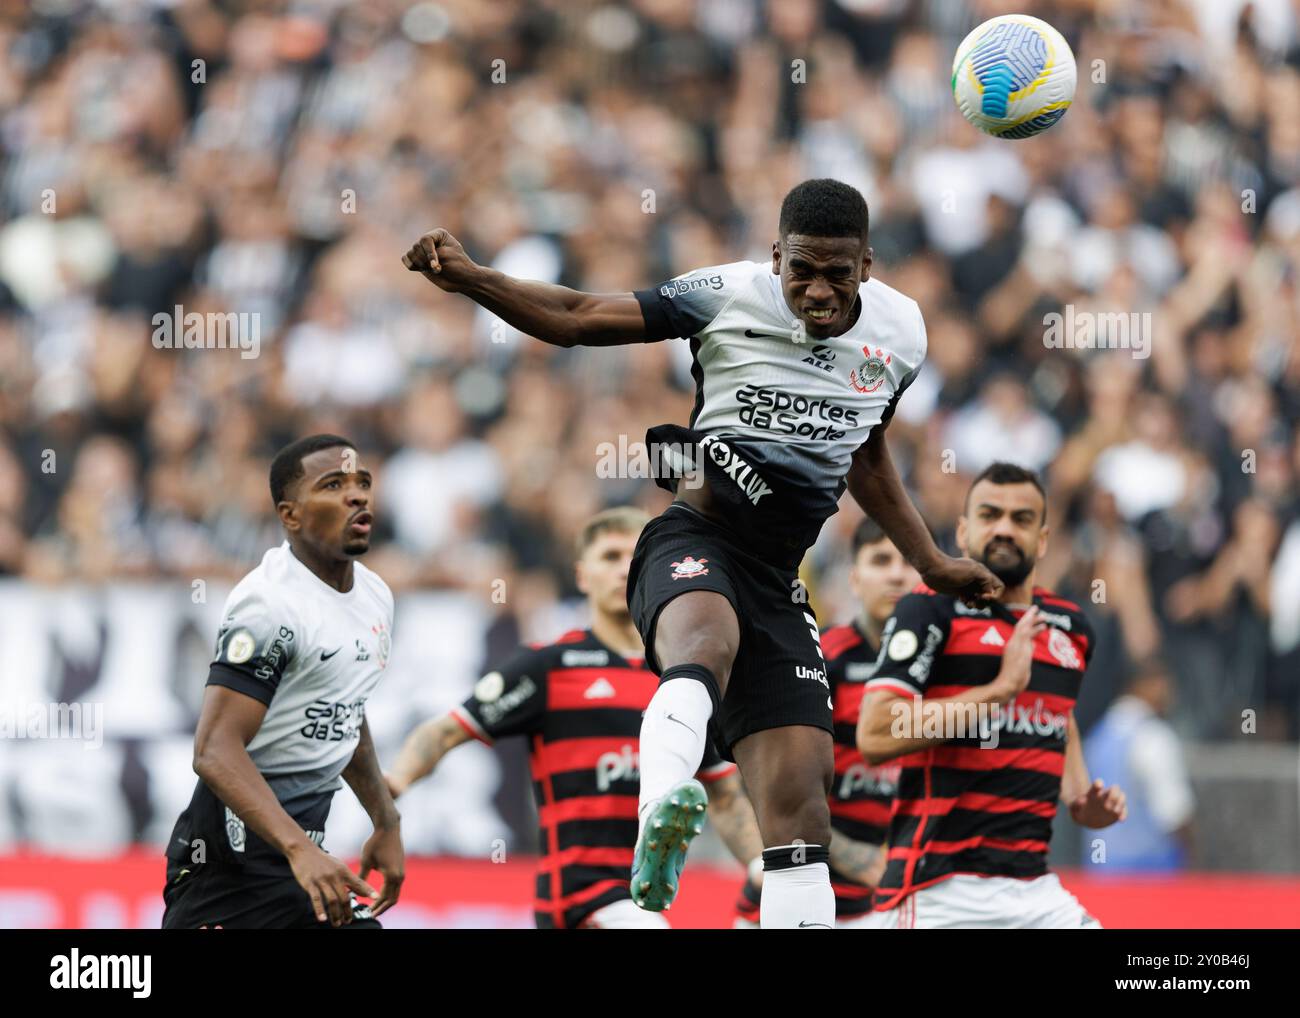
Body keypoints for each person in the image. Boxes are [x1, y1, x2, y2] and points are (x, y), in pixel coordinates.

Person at [403, 178, 1001, 928]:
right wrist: (475, 279)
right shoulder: (723, 294)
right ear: (776, 255)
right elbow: (581, 317)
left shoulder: (902, 332)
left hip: (778, 577)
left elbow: (868, 454)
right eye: (801, 270)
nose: (818, 291)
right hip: (696, 538)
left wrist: (933, 562)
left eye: (837, 274)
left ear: (868, 266)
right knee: (706, 645)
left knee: (803, 815)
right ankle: (662, 810)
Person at [385, 507, 765, 929]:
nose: (623, 569)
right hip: (575, 896)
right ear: (583, 576)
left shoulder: (684, 683)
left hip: (642, 900)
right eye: (609, 557)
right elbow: (444, 732)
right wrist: (389, 788)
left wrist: (756, 866)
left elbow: (726, 799)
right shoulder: (551, 666)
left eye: (634, 558)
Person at [857, 462, 1127, 928]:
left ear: (1042, 539)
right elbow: (878, 732)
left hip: (1036, 892)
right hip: (940, 890)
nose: (1004, 528)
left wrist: (1082, 797)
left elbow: (1058, 715)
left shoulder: (1072, 628)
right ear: (963, 531)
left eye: (1021, 519)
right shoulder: (929, 609)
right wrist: (999, 691)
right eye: (990, 514)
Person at [162, 434, 402, 929]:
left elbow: (344, 712)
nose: (357, 495)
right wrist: (298, 849)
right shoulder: (270, 605)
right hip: (227, 878)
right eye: (334, 485)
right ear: (290, 515)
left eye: (362, 483)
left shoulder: (375, 596)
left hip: (302, 868)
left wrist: (385, 819)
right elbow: (214, 749)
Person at [1082, 658, 1195, 872]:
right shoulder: (1152, 736)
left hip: (1100, 875)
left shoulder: (1098, 736)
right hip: (1150, 877)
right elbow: (1175, 812)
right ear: (1141, 684)